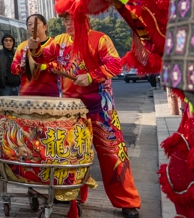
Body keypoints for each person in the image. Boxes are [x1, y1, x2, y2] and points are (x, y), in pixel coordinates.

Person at [28, 14, 141, 218]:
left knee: (113, 155)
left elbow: (115, 64)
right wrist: (34, 48)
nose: (68, 24)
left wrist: (90, 76)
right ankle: (75, 196)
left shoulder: (100, 39)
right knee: (73, 155)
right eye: (65, 20)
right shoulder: (60, 41)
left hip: (101, 110)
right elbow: (42, 58)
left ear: (85, 19)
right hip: (72, 112)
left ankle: (127, 202)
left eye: (73, 19)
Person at [11, 14, 61, 97]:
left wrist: (43, 67)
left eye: (36, 23)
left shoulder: (55, 44)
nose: (32, 27)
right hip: (26, 92)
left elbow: (62, 65)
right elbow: (13, 67)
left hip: (49, 92)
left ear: (45, 27)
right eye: (29, 25)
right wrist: (22, 67)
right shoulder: (22, 46)